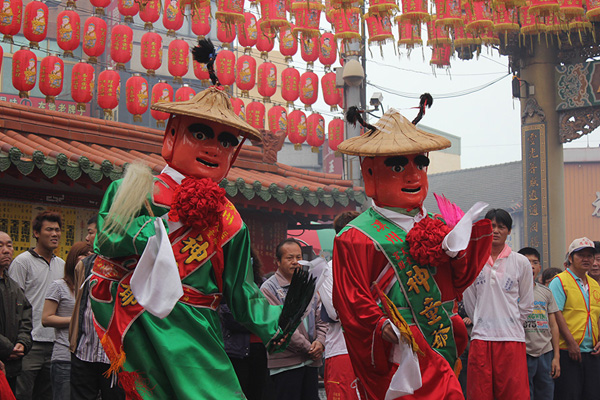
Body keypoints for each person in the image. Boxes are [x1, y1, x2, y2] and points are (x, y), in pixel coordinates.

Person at [89, 39, 313, 400]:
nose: (214, 146)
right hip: (144, 323)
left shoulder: (231, 221)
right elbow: (107, 239)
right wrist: (154, 233)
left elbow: (242, 292)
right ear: (172, 135)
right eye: (200, 133)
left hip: (199, 332)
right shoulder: (133, 190)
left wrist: (282, 318)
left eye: (226, 141)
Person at [332, 106, 493, 400]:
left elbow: (458, 285)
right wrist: (379, 326)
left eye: (419, 163)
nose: (412, 175)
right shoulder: (356, 237)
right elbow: (350, 299)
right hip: (400, 351)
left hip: (442, 340)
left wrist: (459, 256)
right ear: (370, 173)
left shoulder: (443, 228)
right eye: (396, 166)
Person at [463, 209, 534, 400]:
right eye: (491, 226)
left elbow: (527, 304)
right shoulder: (473, 261)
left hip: (511, 339)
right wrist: (482, 320)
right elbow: (469, 301)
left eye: (501, 227)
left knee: (513, 394)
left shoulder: (521, 263)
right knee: (479, 394)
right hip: (481, 338)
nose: (495, 231)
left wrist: (511, 323)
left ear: (509, 231)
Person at [8, 211, 65, 400]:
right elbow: (14, 304)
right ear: (36, 233)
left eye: (57, 230)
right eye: (49, 229)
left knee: (47, 394)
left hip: (55, 343)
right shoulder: (23, 262)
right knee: (22, 393)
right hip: (30, 342)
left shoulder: (62, 265)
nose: (55, 234)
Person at [261, 238, 326, 400]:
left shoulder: (308, 283)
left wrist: (320, 342)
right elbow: (279, 325)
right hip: (285, 362)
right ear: (278, 261)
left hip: (310, 361)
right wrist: (309, 348)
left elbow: (320, 318)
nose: (295, 262)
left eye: (298, 257)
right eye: (290, 258)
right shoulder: (269, 289)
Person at [69, 216, 125, 400]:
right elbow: (79, 305)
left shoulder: (127, 265)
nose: (87, 238)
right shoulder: (84, 265)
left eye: (91, 233)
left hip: (115, 356)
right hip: (84, 350)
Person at [548, 237, 600, 400]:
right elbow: (557, 315)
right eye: (581, 255)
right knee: (569, 394)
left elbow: (596, 315)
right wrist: (571, 343)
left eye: (590, 256)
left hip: (592, 353)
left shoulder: (594, 284)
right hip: (567, 351)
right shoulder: (560, 281)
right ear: (570, 258)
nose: (586, 259)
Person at [317, 211, 360, 400]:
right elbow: (336, 312)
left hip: (375, 350)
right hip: (342, 350)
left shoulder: (375, 266)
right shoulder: (330, 269)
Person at [42, 242, 91, 400]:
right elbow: (46, 318)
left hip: (86, 358)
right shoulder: (59, 286)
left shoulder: (93, 287)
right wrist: (76, 319)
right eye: (86, 258)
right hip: (64, 356)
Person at [219, 249, 269, 400]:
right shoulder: (226, 285)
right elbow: (230, 318)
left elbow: (270, 312)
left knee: (258, 392)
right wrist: (258, 320)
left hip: (261, 349)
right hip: (236, 351)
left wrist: (255, 318)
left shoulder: (262, 284)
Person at [518, 247, 560, 400]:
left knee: (546, 393)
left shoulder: (546, 292)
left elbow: (554, 326)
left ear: (540, 267)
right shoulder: (511, 292)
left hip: (545, 352)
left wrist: (556, 357)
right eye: (526, 262)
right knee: (524, 393)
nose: (531, 266)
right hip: (522, 352)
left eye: (535, 262)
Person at [0, 232, 32, 395]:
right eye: (0, 246)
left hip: (12, 366)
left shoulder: (13, 286)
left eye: (9, 245)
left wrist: (23, 342)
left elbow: (26, 318)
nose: (6, 250)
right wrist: (7, 347)